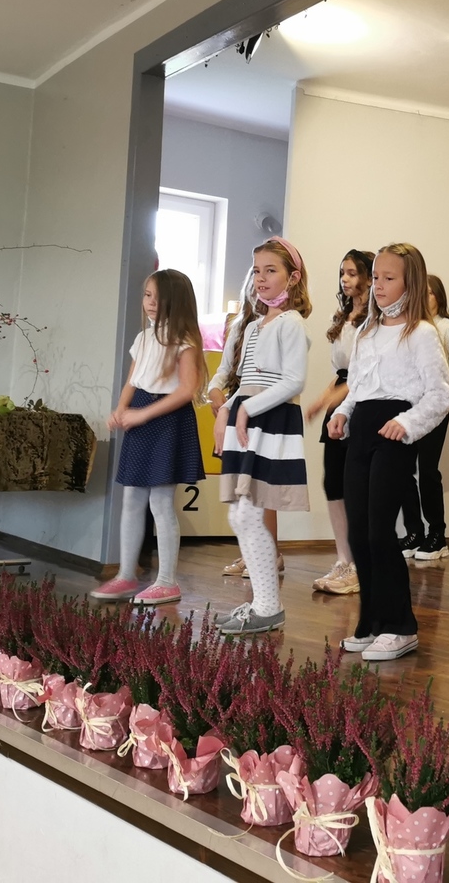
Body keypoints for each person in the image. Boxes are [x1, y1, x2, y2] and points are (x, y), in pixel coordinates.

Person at [327, 243, 449, 661]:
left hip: (395, 433)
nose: (378, 285)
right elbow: (359, 386)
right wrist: (342, 412)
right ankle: (371, 622)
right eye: (376, 277)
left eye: (389, 278)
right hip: (362, 429)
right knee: (358, 532)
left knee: (381, 531)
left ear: (409, 282)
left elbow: (440, 395)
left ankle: (400, 626)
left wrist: (408, 423)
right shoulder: (366, 331)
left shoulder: (422, 334)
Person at [214, 237, 312, 635]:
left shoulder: (292, 323)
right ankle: (262, 603)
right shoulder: (254, 326)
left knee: (251, 512)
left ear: (293, 277)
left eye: (271, 270)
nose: (261, 278)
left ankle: (269, 606)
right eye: (257, 270)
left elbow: (293, 381)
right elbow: (244, 382)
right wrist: (227, 408)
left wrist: (247, 409)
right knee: (240, 513)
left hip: (270, 419)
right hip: (247, 418)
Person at [91, 269, 206, 606]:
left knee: (161, 503)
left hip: (166, 419)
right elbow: (133, 379)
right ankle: (126, 574)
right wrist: (121, 408)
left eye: (158, 296)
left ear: (176, 301)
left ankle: (167, 581)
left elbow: (186, 390)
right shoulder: (143, 338)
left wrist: (142, 414)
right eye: (147, 295)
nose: (150, 302)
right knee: (132, 499)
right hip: (142, 415)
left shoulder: (184, 340)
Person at [305, 250, 373, 595]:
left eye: (352, 273)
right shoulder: (344, 315)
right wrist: (323, 399)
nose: (345, 279)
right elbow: (342, 372)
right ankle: (343, 559)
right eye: (342, 273)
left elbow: (362, 373)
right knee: (332, 483)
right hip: (339, 401)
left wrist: (330, 399)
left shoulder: (376, 319)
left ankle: (360, 564)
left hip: (361, 403)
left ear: (369, 278)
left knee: (355, 485)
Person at [208, 275, 282, 580]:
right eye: (253, 281)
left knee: (261, 487)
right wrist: (214, 390)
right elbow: (225, 369)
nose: (257, 287)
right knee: (240, 487)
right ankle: (250, 552)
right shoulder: (239, 325)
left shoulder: (279, 324)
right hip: (235, 407)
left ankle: (271, 554)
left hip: (262, 407)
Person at [403, 274, 449, 562]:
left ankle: (437, 534)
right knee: (404, 471)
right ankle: (414, 532)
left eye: (429, 293)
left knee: (427, 471)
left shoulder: (447, 327)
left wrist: (434, 384)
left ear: (438, 296)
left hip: (434, 409)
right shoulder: (410, 328)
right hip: (407, 409)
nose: (424, 297)